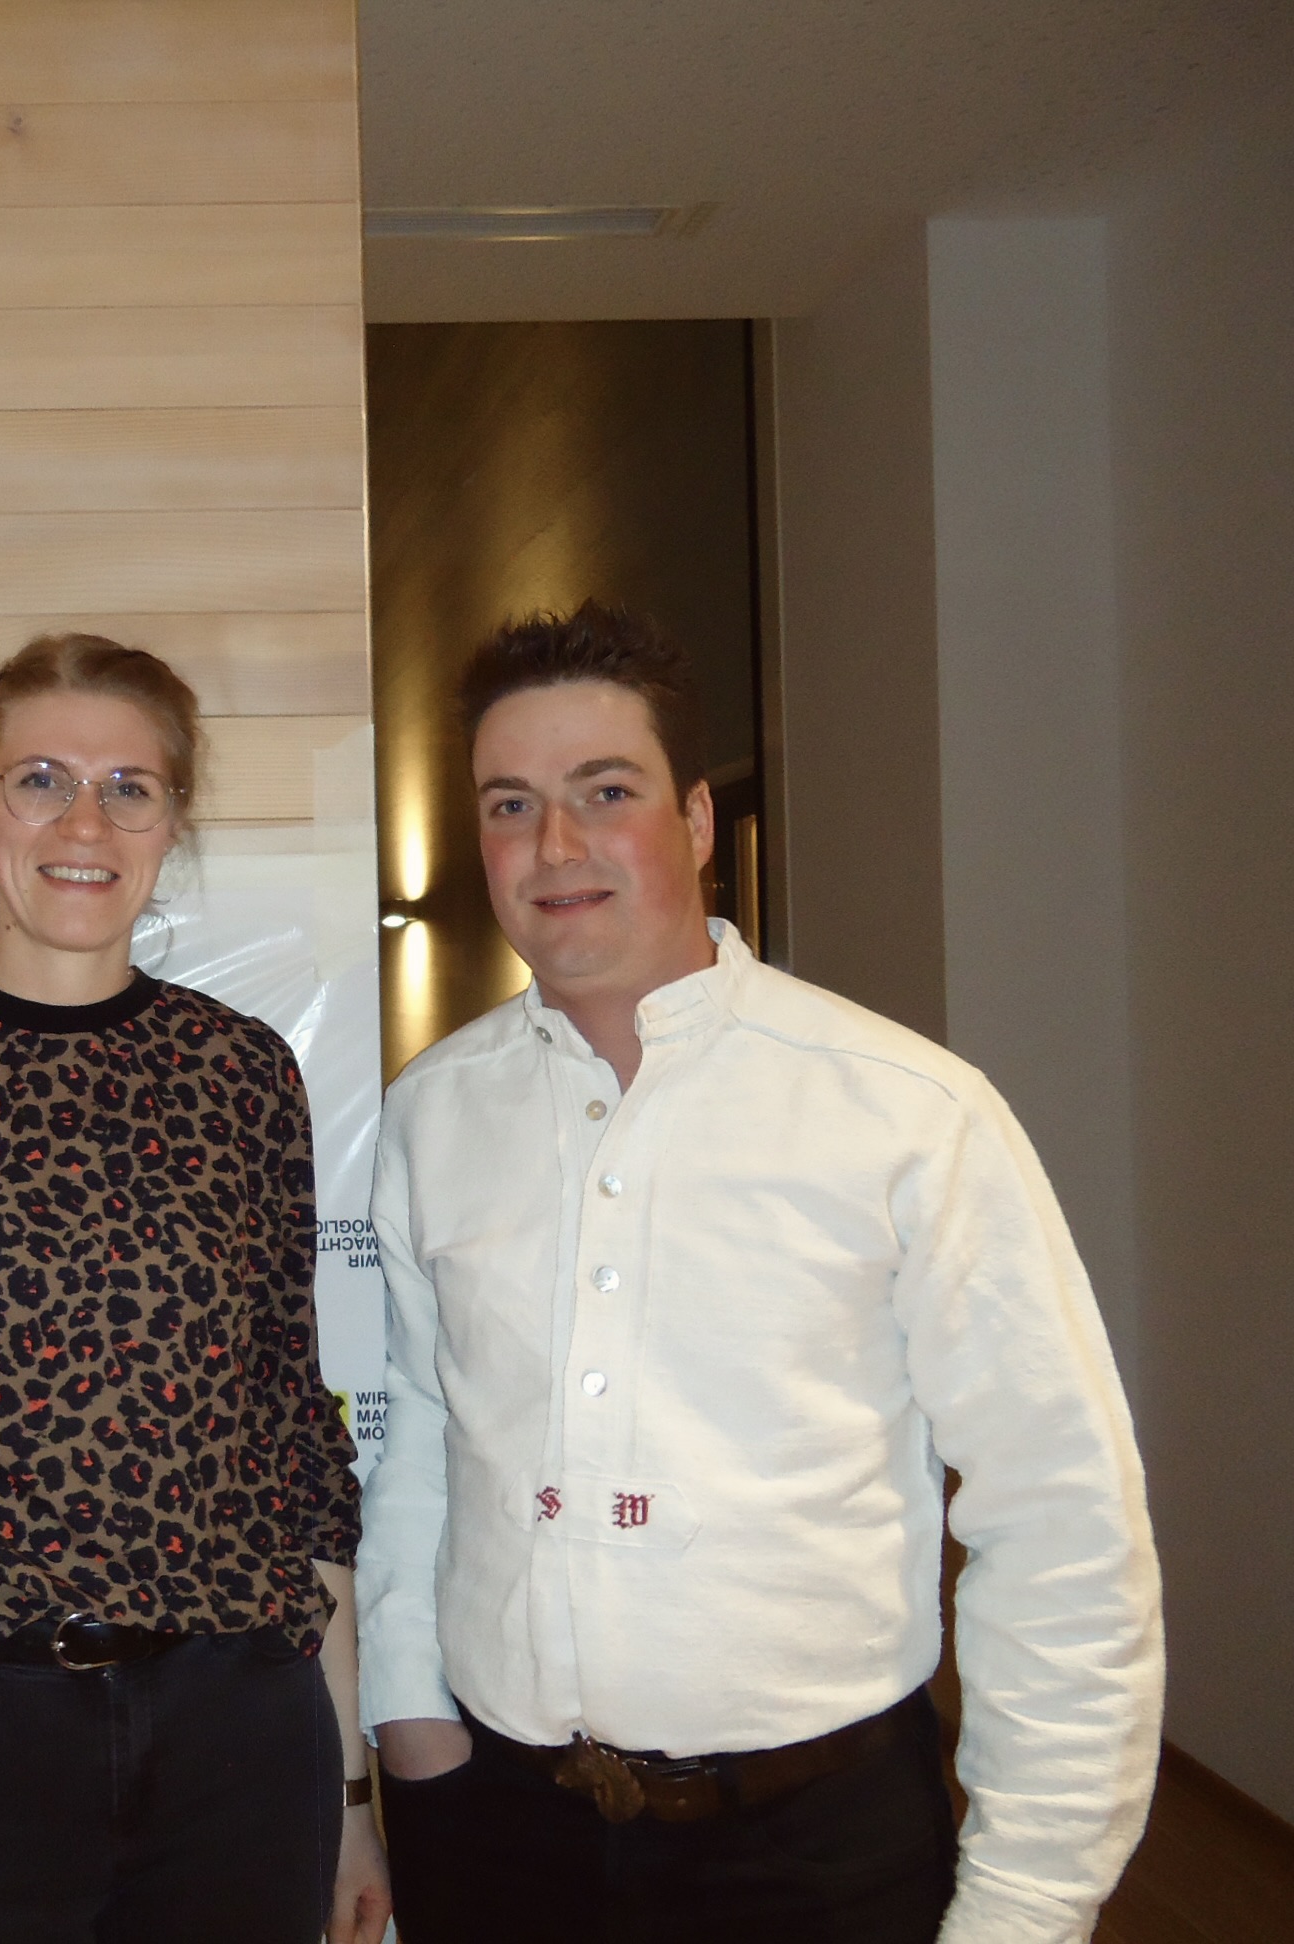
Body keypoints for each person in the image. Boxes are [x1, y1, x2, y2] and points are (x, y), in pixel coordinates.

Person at [357, 603, 1163, 1943]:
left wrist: (1031, 1899)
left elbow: (1060, 1513)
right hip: (498, 1833)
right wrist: (410, 1722)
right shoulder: (433, 1114)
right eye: (511, 805)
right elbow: (427, 1438)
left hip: (814, 1854)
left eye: (604, 792)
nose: (554, 846)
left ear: (694, 821)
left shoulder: (906, 1112)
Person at [0, 634, 393, 1944]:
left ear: (172, 820)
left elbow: (290, 1435)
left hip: (236, 1738)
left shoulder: (241, 1075)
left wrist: (351, 1798)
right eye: (41, 778)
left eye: (128, 787)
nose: (85, 823)